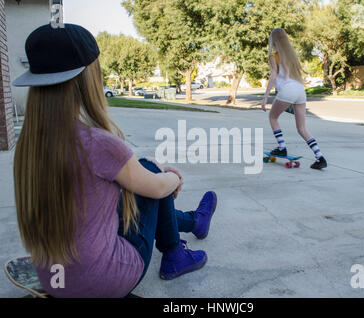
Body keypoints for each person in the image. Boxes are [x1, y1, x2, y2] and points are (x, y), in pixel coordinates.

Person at [12, 24, 217, 298]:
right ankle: (175, 252)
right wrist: (171, 178)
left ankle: (193, 222)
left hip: (53, 278)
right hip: (102, 281)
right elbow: (156, 188)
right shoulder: (98, 144)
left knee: (137, 175)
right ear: (88, 78)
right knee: (151, 172)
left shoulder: (29, 145)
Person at [261, 28, 327, 170]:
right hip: (300, 91)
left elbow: (273, 76)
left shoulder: (274, 55)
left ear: (274, 40)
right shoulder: (292, 55)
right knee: (302, 128)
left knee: (273, 117)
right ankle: (320, 157)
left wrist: (265, 98)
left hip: (287, 91)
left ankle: (282, 147)